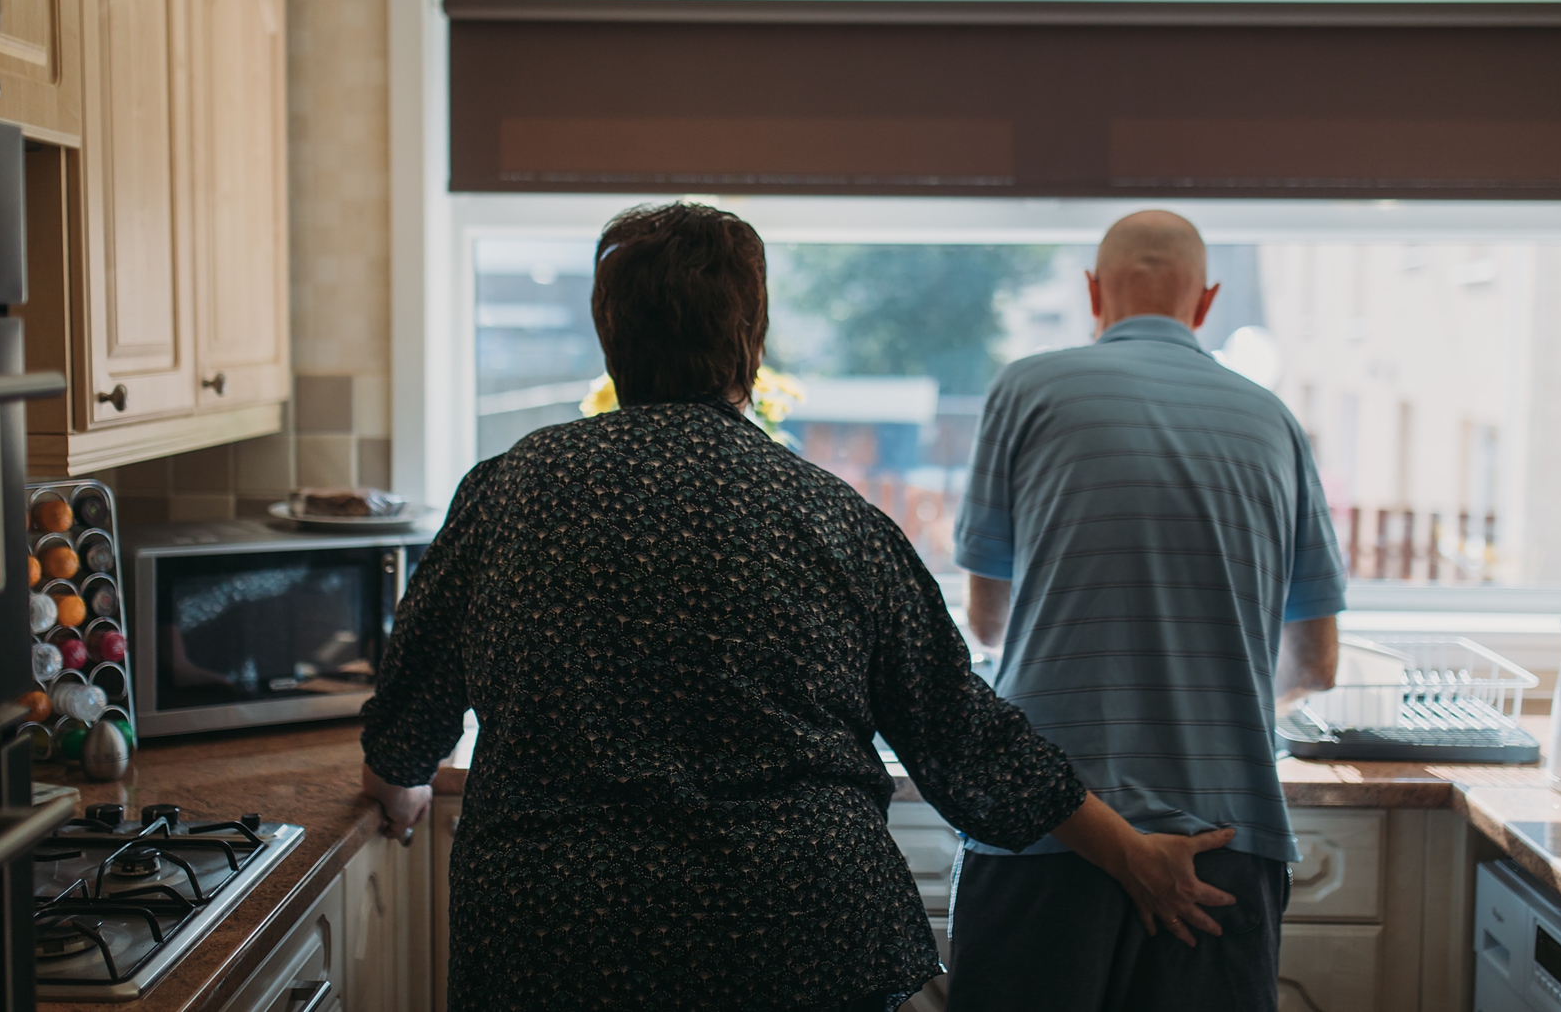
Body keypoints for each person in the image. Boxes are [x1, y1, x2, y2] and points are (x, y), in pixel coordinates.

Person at [359, 202, 1279, 1012]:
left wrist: (400, 778)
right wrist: (1129, 852)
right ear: (750, 335)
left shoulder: (510, 491)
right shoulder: (834, 518)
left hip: (557, 942)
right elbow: (965, 738)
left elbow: (410, 709)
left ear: (610, 332)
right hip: (792, 942)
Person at [947, 209, 1345, 1012]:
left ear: (1094, 293)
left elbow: (987, 623)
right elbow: (1317, 662)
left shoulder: (1026, 388)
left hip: (1049, 827)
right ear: (1206, 303)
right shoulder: (1276, 422)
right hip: (1225, 844)